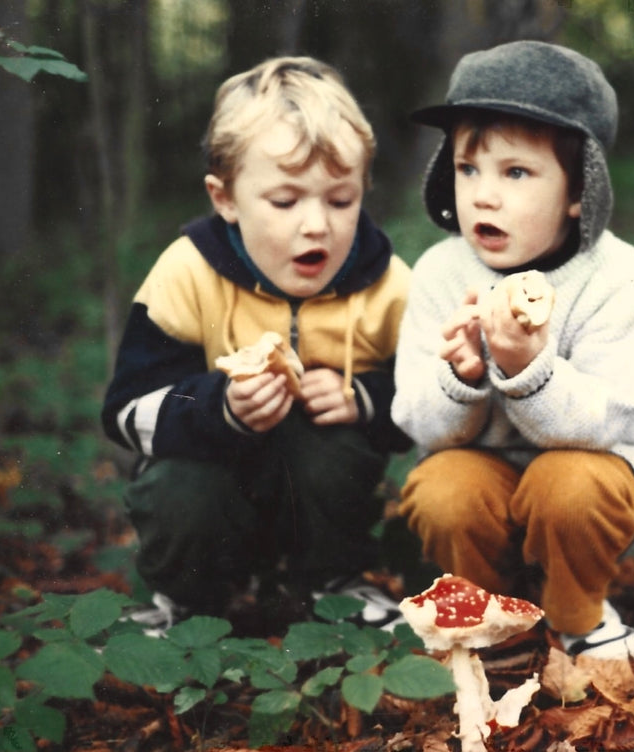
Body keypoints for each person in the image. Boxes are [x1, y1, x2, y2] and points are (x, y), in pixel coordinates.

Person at [391, 41, 634, 660]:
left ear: (580, 192)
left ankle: (578, 613)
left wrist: (526, 367)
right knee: (442, 488)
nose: (483, 196)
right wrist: (460, 378)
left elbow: (603, 422)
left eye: (515, 172)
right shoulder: (441, 271)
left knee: (568, 487)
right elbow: (414, 420)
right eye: (468, 170)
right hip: (482, 470)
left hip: (594, 467)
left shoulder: (619, 276)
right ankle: (486, 614)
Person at [102, 57, 411, 632]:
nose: (316, 224)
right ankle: (186, 605)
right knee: (179, 481)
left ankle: (334, 585)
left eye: (340, 201)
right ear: (225, 199)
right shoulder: (187, 274)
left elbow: (429, 403)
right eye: (285, 201)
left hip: (321, 507)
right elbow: (124, 413)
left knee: (334, 443)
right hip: (216, 494)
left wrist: (363, 399)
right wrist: (218, 407)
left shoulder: (389, 284)